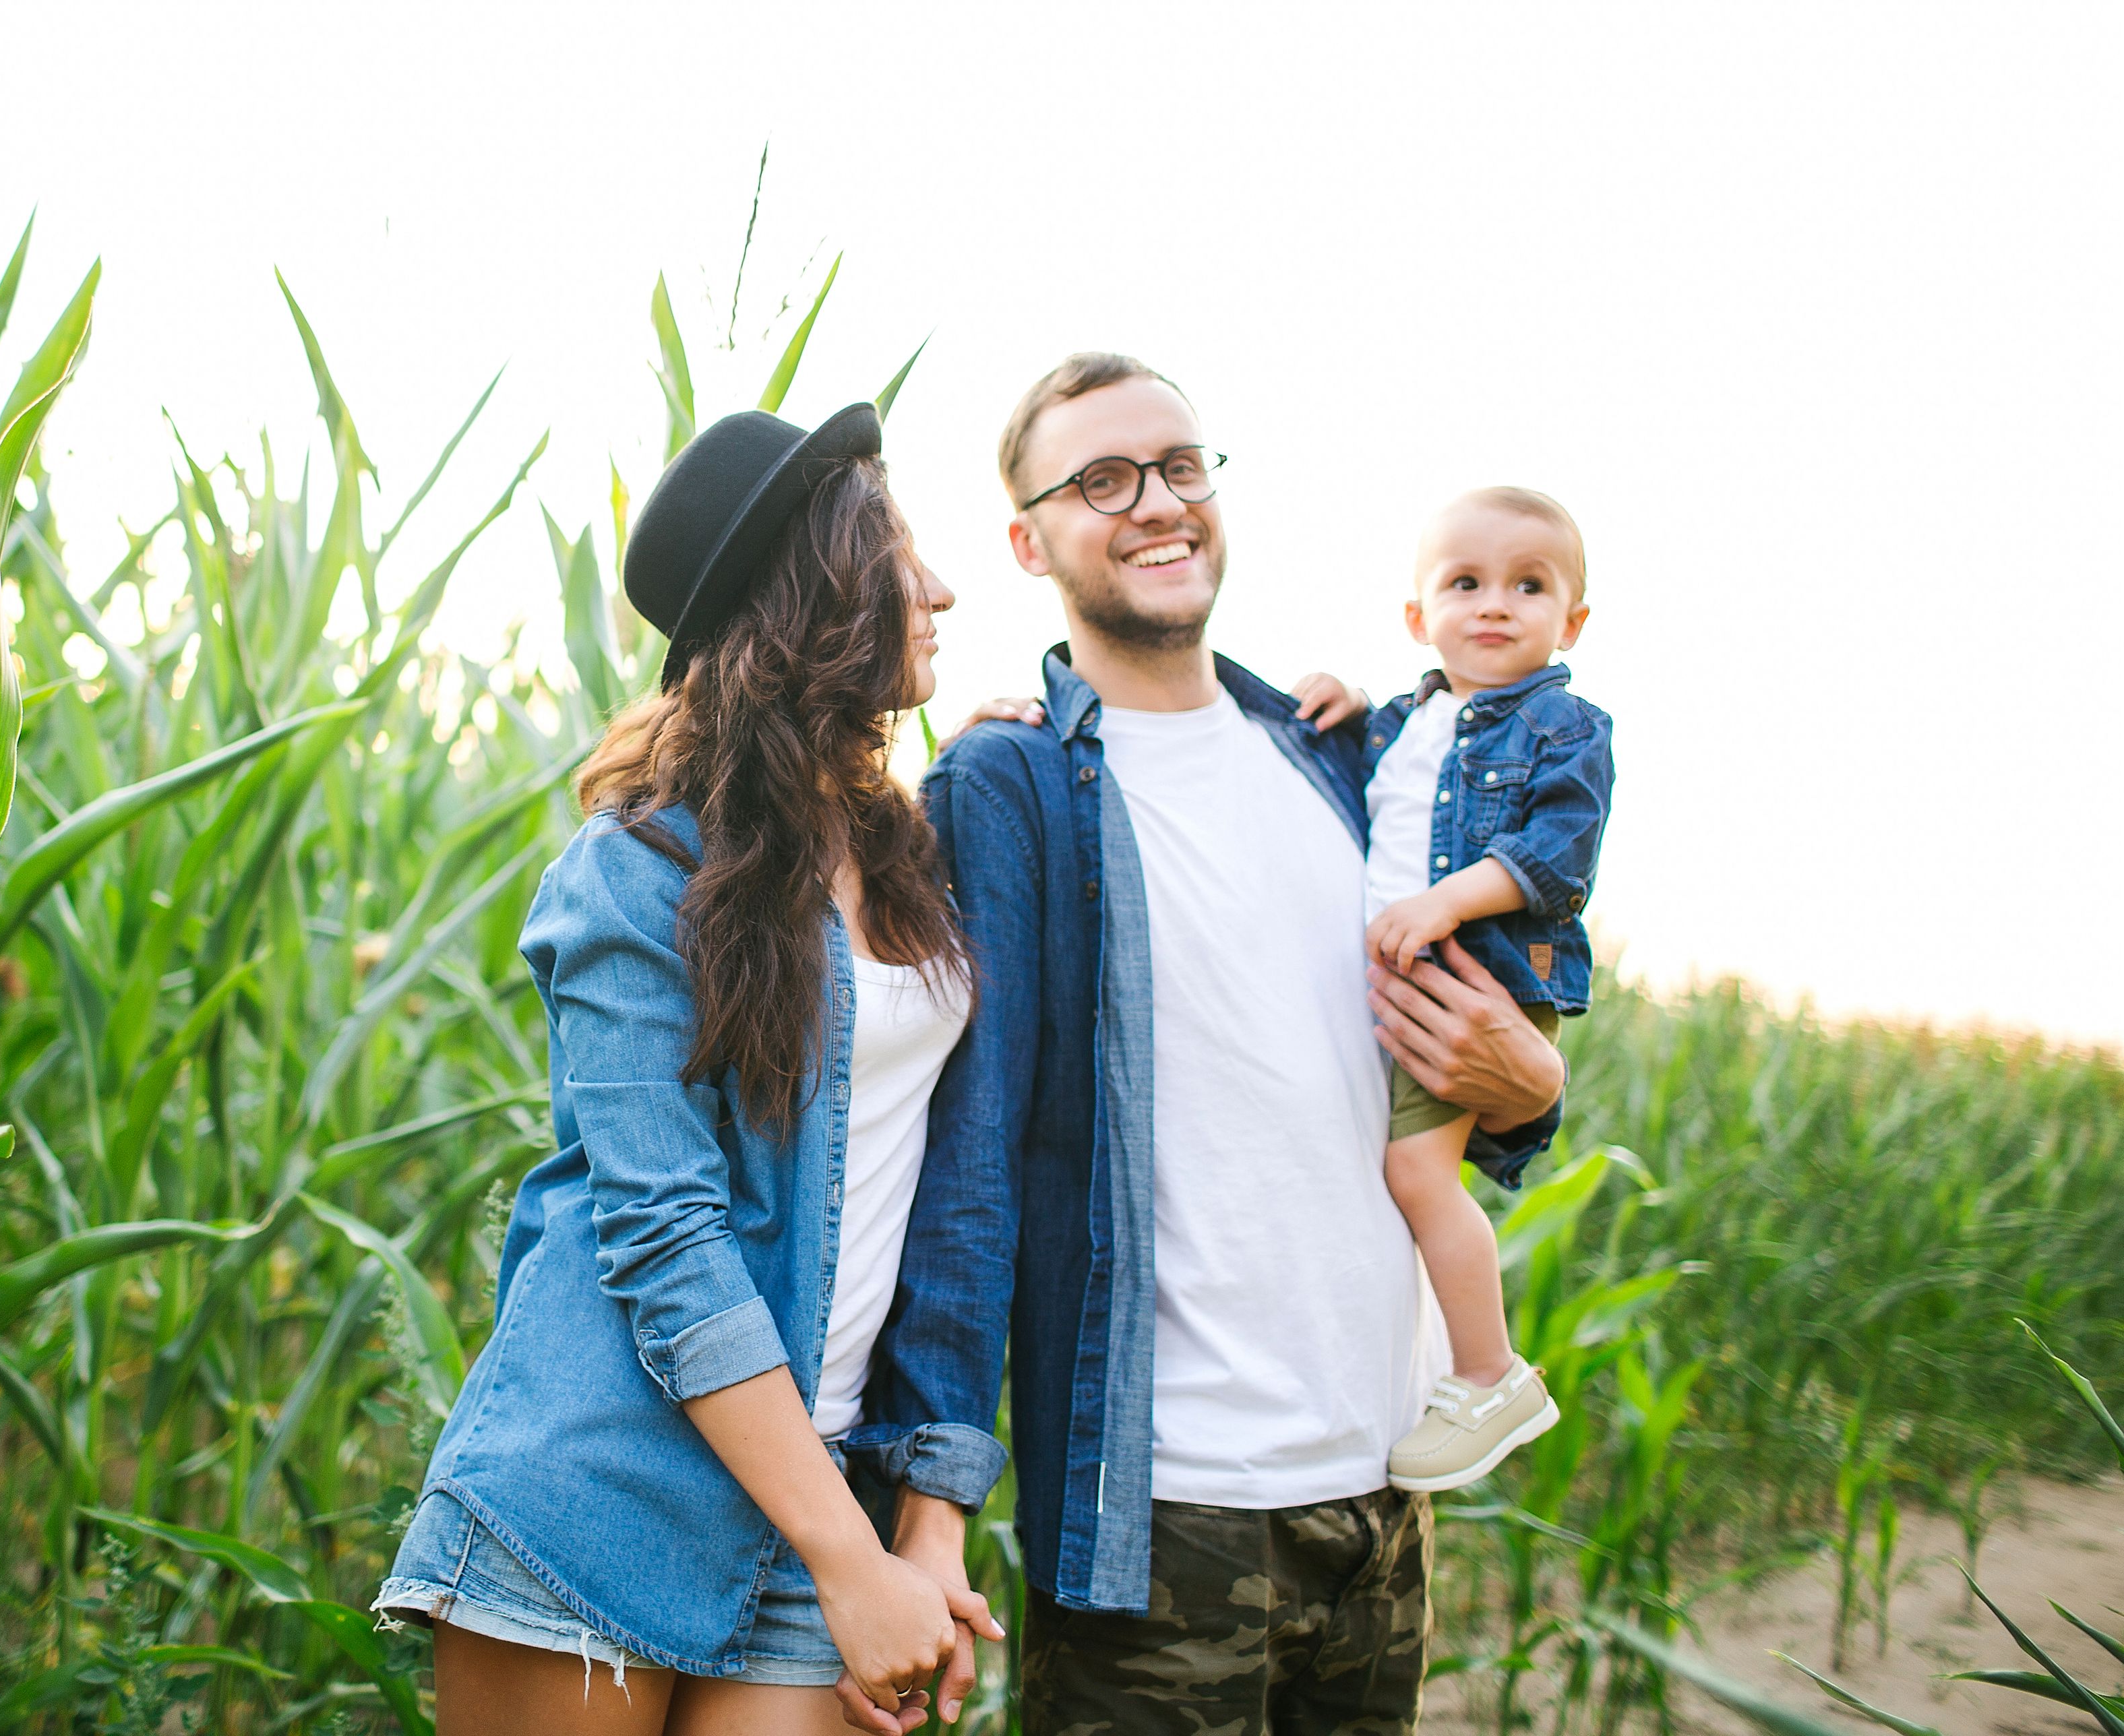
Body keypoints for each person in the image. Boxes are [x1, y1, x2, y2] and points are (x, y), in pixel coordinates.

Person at [901, 354, 1567, 1733]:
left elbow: (1437, 1044)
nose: (1157, 503)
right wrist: (934, 1504)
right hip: (1166, 1511)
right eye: (1102, 481)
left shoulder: (1341, 758)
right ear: (1028, 542)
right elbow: (970, 1160)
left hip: (1383, 1491)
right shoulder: (1012, 784)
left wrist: (1533, 1090)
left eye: (1179, 465)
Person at [375, 403, 1006, 1736]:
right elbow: (665, 1234)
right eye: (903, 560)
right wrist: (849, 1557)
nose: (943, 591)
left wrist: (914, 1518)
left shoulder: (911, 852)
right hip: (605, 1498)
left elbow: (957, 1183)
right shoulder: (635, 873)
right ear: (816, 596)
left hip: (823, 1492)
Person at [1290, 487, 1614, 1493]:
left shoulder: (1563, 725)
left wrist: (1443, 904)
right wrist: (1341, 701)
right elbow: (1368, 788)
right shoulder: (1407, 722)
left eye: (1530, 586)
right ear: (1417, 615)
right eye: (1466, 583)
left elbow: (1556, 856)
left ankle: (1489, 1375)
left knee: (1422, 1176)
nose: (1496, 604)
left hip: (1483, 981)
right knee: (1386, 1167)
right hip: (1409, 984)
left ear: (1572, 622)